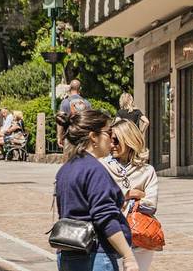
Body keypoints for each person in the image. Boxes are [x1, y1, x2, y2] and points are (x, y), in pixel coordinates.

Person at [52, 107, 141, 271]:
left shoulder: (65, 170)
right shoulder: (94, 170)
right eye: (109, 133)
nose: (113, 139)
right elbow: (105, 217)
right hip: (95, 255)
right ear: (94, 137)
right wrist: (128, 257)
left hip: (68, 254)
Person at [102, 119, 159, 271]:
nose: (111, 145)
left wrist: (128, 203)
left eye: (116, 140)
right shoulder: (103, 167)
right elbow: (101, 201)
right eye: (110, 140)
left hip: (139, 237)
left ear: (129, 141)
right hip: (111, 236)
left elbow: (151, 205)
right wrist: (130, 195)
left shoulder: (147, 171)